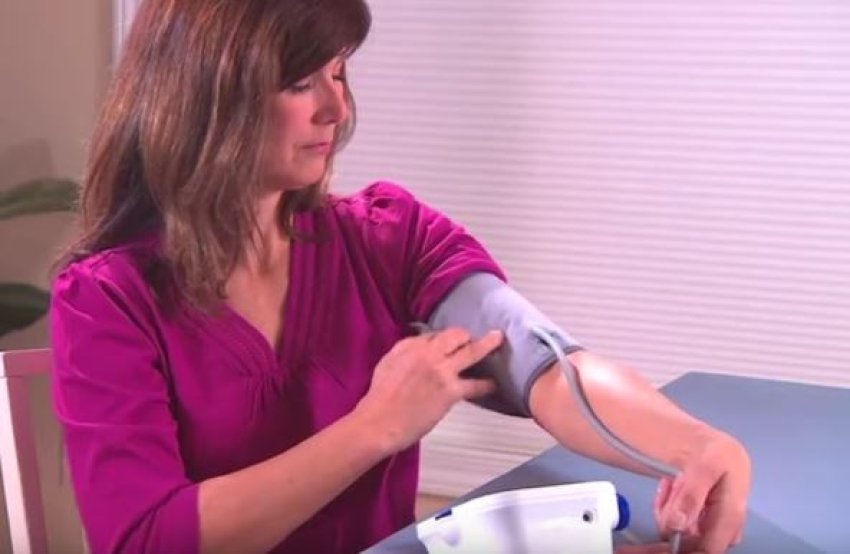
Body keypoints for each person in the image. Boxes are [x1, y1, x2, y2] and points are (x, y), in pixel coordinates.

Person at [48, 1, 751, 553]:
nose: (336, 109)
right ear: (205, 98)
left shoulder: (389, 237)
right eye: (301, 82)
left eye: (339, 73)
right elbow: (145, 538)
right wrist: (374, 427)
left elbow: (546, 365)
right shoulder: (107, 300)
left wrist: (697, 447)